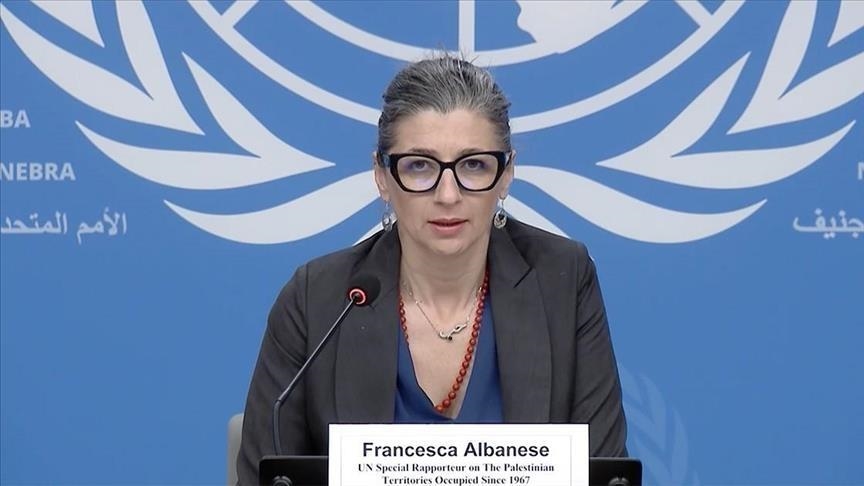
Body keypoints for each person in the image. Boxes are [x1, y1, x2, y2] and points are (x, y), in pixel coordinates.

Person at [236, 54, 627, 484]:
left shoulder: (563, 280)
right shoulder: (318, 300)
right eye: (419, 166)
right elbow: (263, 476)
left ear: (507, 173)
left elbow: (603, 471)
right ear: (382, 176)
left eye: (473, 165)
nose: (447, 194)